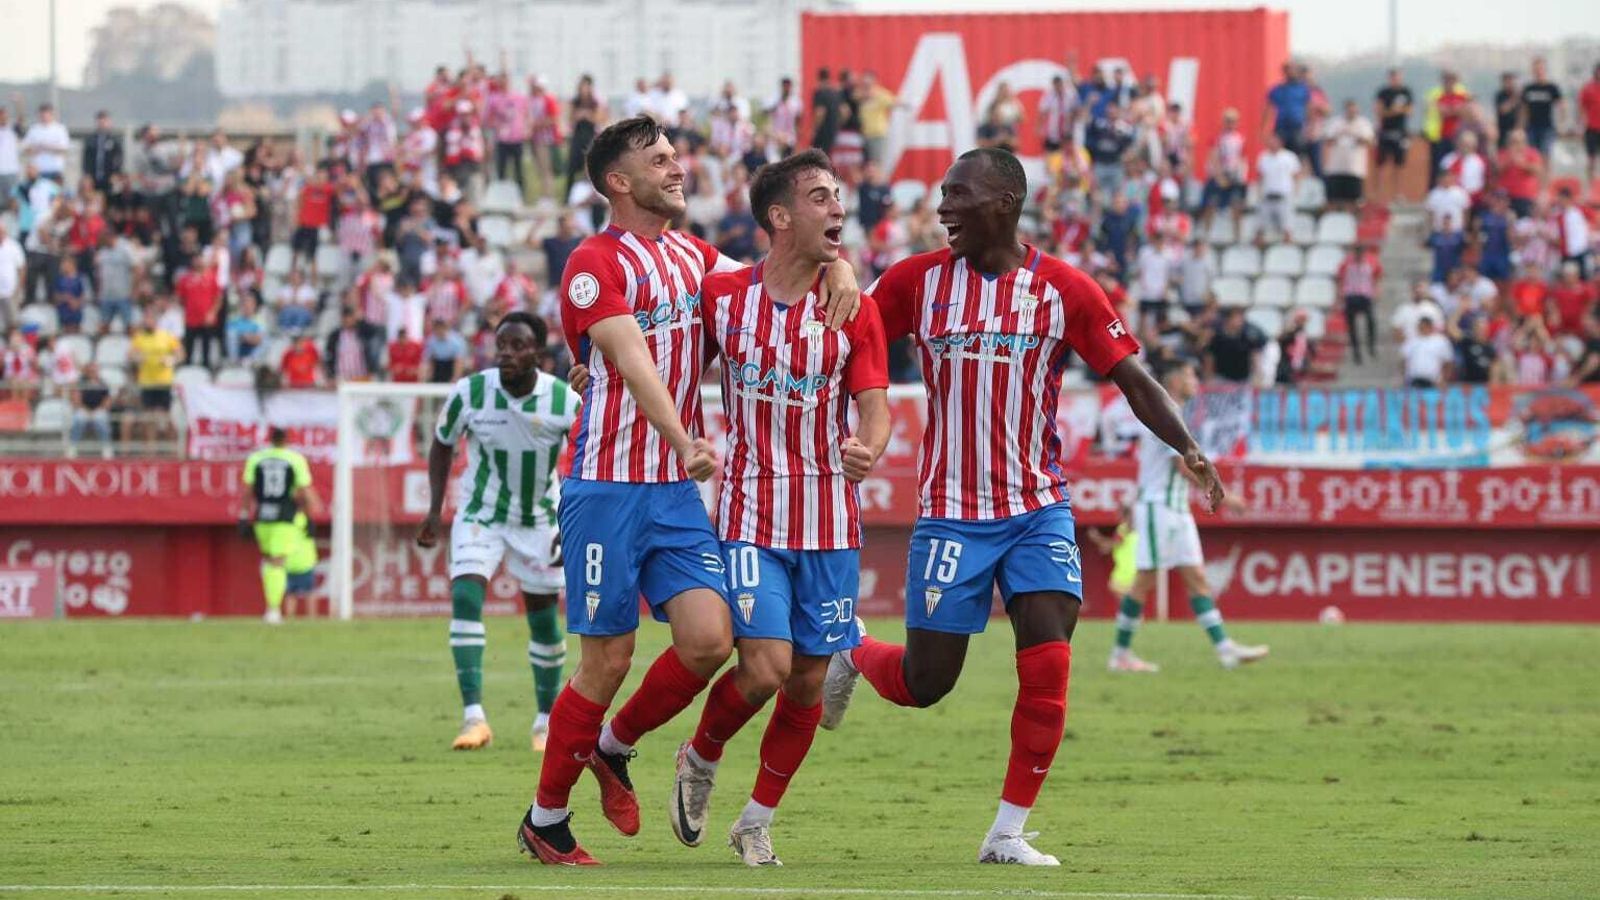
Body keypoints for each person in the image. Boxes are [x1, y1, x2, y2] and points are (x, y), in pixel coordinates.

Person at [818, 147, 1224, 867]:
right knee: (926, 683)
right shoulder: (916, 281)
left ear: (1004, 202)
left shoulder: (1063, 289)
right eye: (943, 195)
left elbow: (1133, 377)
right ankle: (853, 650)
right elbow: (846, 334)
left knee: (1049, 656)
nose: (943, 208)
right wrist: (842, 273)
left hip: (1038, 507)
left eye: (958, 195)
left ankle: (1006, 833)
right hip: (951, 512)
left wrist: (1187, 445)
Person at [516, 116, 857, 866]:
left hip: (674, 492)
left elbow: (780, 268)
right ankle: (546, 819)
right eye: (660, 160)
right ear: (619, 182)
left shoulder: (696, 258)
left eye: (676, 157)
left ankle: (612, 746)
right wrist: (681, 438)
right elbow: (631, 360)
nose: (677, 169)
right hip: (606, 486)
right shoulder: (591, 263)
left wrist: (840, 267)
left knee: (709, 641)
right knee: (607, 660)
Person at [642, 150, 892, 866]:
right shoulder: (722, 297)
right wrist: (583, 359)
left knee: (808, 680)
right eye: (820, 197)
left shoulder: (852, 305)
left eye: (838, 196)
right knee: (765, 668)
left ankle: (755, 821)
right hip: (751, 516)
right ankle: (701, 754)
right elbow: (655, 342)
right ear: (779, 216)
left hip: (832, 523)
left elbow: (876, 408)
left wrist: (869, 448)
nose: (838, 207)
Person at [416, 311, 576, 753]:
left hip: (539, 520)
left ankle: (545, 723)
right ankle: (474, 718)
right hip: (480, 513)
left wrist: (571, 523)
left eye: (517, 345)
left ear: (539, 353)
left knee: (543, 620)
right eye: (501, 345)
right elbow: (442, 443)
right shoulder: (470, 392)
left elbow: (586, 458)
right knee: (466, 596)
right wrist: (434, 510)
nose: (505, 353)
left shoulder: (563, 400)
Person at [1110, 359, 1266, 673]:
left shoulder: (1171, 413)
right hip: (1159, 507)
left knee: (1197, 579)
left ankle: (1225, 650)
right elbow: (1181, 466)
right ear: (1174, 381)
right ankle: (1120, 655)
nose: (1195, 380)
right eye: (1190, 374)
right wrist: (1224, 495)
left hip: (1176, 509)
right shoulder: (1164, 415)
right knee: (1144, 581)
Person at [239, 427, 324, 624]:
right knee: (277, 562)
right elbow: (304, 490)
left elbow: (248, 490)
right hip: (285, 517)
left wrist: (243, 515)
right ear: (287, 440)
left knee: (270, 561)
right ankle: (273, 609)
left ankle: (272, 608)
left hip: (262, 516)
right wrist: (311, 516)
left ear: (270, 439)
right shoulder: (294, 459)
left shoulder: (256, 458)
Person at [1322, 100, 1374, 212]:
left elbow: (1369, 141)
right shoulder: (1336, 122)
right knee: (1332, 199)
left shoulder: (1363, 123)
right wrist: (1340, 134)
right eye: (1349, 110)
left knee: (1354, 200)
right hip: (1336, 168)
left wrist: (1354, 134)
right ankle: (1333, 219)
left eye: (1354, 110)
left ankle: (1351, 220)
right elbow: (1327, 140)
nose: (1351, 112)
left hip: (1354, 169)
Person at [1338, 242, 1382, 364]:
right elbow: (1340, 279)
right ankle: (1356, 351)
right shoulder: (1346, 263)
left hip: (1365, 295)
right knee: (1352, 326)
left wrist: (1377, 290)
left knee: (1371, 320)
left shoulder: (1371, 262)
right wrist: (1340, 295)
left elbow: (1377, 276)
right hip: (1350, 295)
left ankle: (1371, 345)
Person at [1374, 68, 1413, 200]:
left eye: (1398, 77)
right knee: (1381, 164)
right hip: (1385, 133)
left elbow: (1409, 110)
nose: (1395, 80)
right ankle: (1379, 193)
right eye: (1393, 77)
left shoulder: (1406, 92)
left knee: (1399, 164)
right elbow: (1380, 111)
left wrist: (1396, 110)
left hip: (1400, 133)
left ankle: (1398, 193)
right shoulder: (1383, 93)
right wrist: (1394, 111)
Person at [1255, 131, 1301, 239]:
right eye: (1271, 141)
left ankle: (1288, 247)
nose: (1272, 143)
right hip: (1267, 196)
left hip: (1284, 196)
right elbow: (1260, 177)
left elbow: (1296, 175)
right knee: (1260, 229)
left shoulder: (1289, 156)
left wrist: (1296, 192)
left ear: (1280, 142)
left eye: (1275, 141)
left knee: (1287, 229)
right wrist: (1259, 192)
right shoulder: (1263, 157)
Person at [1519, 57, 1565, 160]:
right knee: (1532, 156)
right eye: (1536, 69)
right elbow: (1524, 110)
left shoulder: (1552, 88)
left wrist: (1561, 124)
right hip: (1531, 127)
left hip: (1547, 127)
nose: (1538, 71)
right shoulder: (1528, 88)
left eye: (1540, 69)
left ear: (1545, 70)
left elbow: (1561, 106)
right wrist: (1521, 127)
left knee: (1546, 155)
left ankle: (1546, 171)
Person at [21, 103, 69, 183]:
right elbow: (25, 148)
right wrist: (35, 149)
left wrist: (48, 147)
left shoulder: (60, 129)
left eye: (46, 114)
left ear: (52, 114)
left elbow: (64, 149)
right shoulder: (33, 129)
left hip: (55, 170)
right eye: (42, 115)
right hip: (37, 171)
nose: (44, 117)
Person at [1400, 315, 1454, 387]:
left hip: (1434, 381)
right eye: (1420, 327)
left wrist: (1444, 380)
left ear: (1430, 326)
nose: (1422, 329)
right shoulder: (1411, 341)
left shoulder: (1441, 341)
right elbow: (1404, 361)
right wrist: (1404, 380)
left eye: (1424, 327)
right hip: (1414, 381)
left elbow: (1448, 362)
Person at [82, 111, 123, 193]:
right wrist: (87, 174)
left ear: (109, 122)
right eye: (100, 122)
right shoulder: (90, 140)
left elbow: (119, 158)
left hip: (109, 177)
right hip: (94, 177)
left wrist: (116, 173)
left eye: (105, 121)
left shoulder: (114, 140)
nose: (102, 124)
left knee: (110, 196)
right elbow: (86, 159)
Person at [1581, 63, 1600, 186]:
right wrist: (1583, 125)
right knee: (1591, 159)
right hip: (1592, 128)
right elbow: (1582, 108)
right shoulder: (1588, 88)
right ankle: (1591, 185)